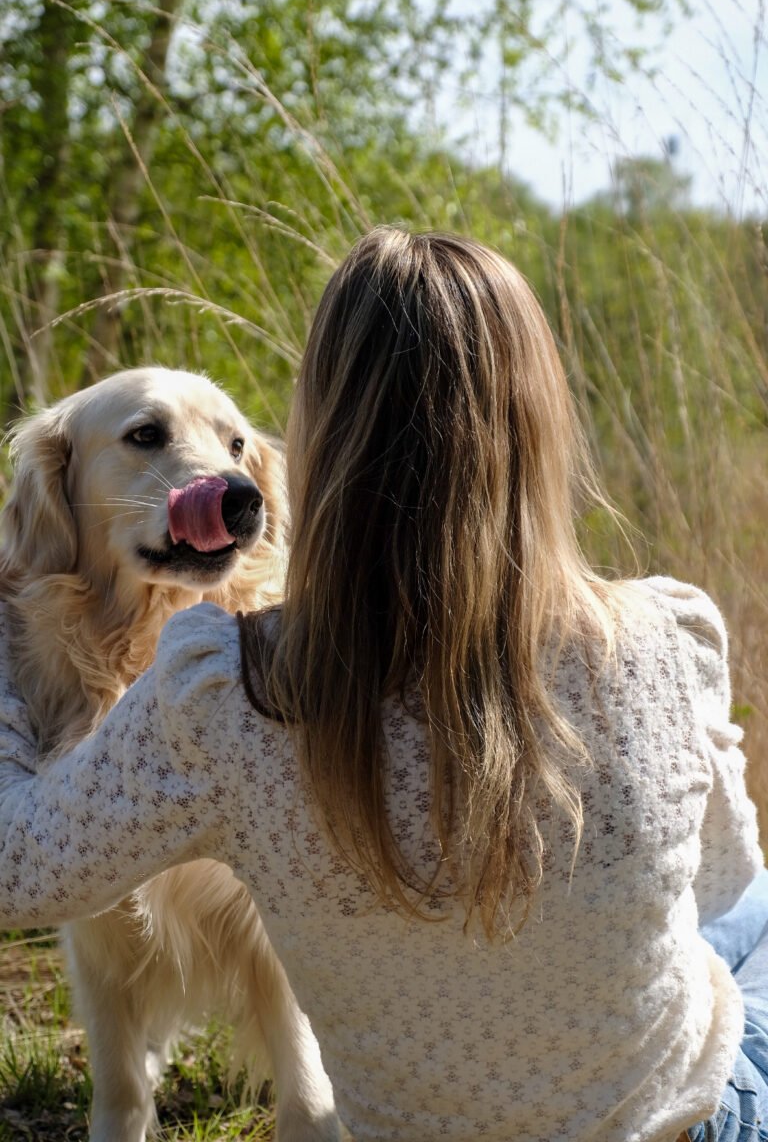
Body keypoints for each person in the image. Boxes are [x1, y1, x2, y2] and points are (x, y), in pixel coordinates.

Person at [0, 226, 766, 1142]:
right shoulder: (671, 637)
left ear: (316, 443)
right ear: (542, 426)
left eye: (238, 448)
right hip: (689, 1115)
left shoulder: (223, 693)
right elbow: (722, 880)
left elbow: (20, 871)